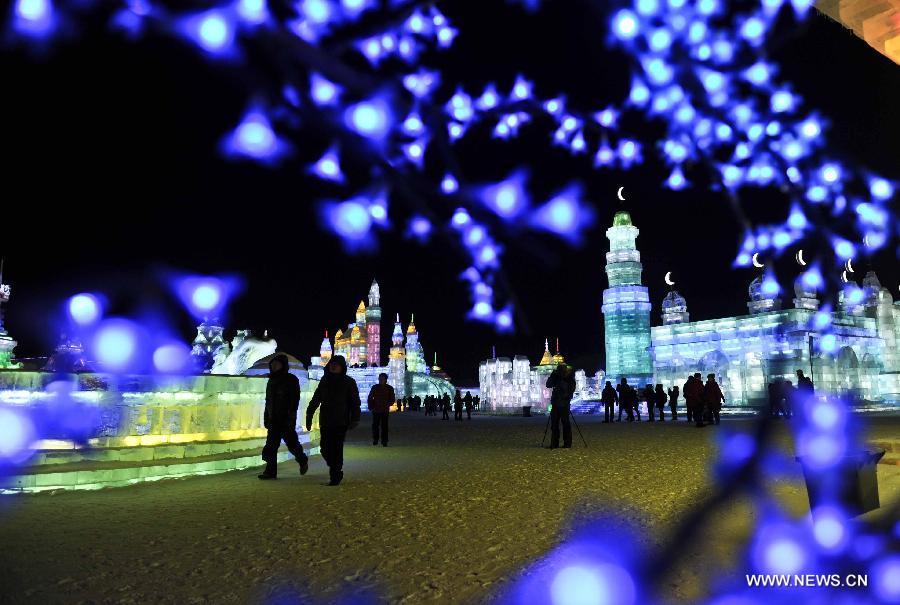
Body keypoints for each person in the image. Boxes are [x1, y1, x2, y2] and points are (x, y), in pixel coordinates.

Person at [305, 355, 360, 486]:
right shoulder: (324, 381)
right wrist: (309, 414)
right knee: (324, 448)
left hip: (341, 421)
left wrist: (355, 418)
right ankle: (335, 468)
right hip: (325, 420)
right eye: (332, 364)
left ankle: (335, 473)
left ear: (342, 367)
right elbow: (316, 399)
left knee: (336, 448)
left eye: (336, 365)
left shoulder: (349, 382)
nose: (333, 366)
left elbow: (354, 402)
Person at [259, 354, 310, 480]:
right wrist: (267, 417)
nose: (274, 366)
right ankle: (270, 471)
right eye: (273, 364)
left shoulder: (291, 380)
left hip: (286, 419)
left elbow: (294, 400)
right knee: (271, 446)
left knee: (292, 444)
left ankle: (302, 459)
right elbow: (269, 401)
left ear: (283, 365)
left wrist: (290, 417)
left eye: (277, 363)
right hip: (273, 419)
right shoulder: (271, 381)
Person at [546, 363, 575, 448]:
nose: (560, 372)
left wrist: (567, 397)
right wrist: (552, 376)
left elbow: (571, 390)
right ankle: (555, 443)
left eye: (561, 370)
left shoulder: (569, 378)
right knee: (555, 425)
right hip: (556, 404)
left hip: (564, 404)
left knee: (565, 424)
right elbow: (548, 385)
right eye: (559, 370)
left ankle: (567, 443)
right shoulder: (556, 377)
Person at [368, 373, 394, 447]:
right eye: (380, 378)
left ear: (386, 380)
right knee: (375, 425)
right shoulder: (375, 387)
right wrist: (371, 406)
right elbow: (370, 397)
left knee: (384, 426)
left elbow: (392, 398)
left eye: (382, 378)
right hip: (376, 410)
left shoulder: (389, 388)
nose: (381, 380)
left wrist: (387, 404)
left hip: (384, 410)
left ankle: (384, 440)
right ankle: (375, 439)